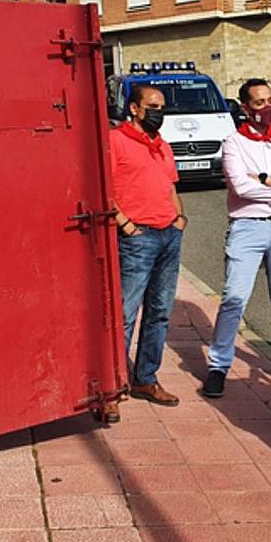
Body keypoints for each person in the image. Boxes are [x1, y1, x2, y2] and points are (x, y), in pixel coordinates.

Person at [204, 79, 271, 397]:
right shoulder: (234, 144)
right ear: (244, 107)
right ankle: (218, 365)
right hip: (247, 227)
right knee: (234, 298)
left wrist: (266, 179)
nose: (266, 108)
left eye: (269, 101)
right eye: (258, 103)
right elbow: (240, 187)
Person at [106, 85, 187, 422]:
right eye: (152, 106)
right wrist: (124, 224)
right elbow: (101, 186)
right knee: (124, 314)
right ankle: (112, 389)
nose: (159, 112)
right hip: (136, 238)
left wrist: (179, 218)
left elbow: (170, 186)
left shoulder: (161, 145)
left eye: (162, 106)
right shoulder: (115, 140)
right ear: (135, 109)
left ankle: (145, 379)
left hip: (169, 235)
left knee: (160, 312)